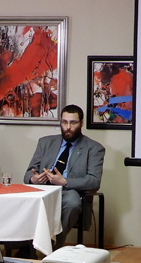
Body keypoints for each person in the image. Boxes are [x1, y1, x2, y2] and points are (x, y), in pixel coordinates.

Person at [24, 104, 105, 245]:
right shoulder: (45, 142)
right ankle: (23, 246)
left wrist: (65, 182)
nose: (68, 127)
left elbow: (94, 181)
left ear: (81, 123)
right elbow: (27, 174)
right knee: (18, 200)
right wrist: (33, 179)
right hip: (43, 189)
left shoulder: (94, 148)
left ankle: (54, 243)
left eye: (73, 123)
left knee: (72, 202)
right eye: (64, 122)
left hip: (69, 191)